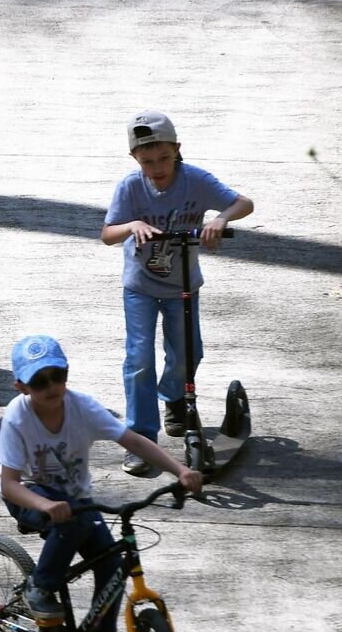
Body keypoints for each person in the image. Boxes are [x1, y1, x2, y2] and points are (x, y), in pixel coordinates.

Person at [0, 334, 203, 632]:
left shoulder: (82, 407)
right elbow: (9, 485)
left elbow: (133, 441)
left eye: (56, 376)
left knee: (112, 564)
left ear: (66, 373)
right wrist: (45, 505)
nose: (50, 386)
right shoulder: (17, 416)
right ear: (22, 386)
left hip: (76, 500)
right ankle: (40, 587)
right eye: (38, 381)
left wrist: (178, 470)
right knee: (73, 519)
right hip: (29, 496)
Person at [101, 110, 254, 476]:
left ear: (177, 150)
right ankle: (141, 437)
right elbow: (108, 234)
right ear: (135, 158)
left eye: (164, 158)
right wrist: (132, 224)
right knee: (139, 359)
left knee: (187, 351)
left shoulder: (196, 181)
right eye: (147, 160)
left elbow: (243, 203)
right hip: (139, 286)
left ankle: (173, 398)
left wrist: (220, 218)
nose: (157, 167)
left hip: (183, 284)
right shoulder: (130, 187)